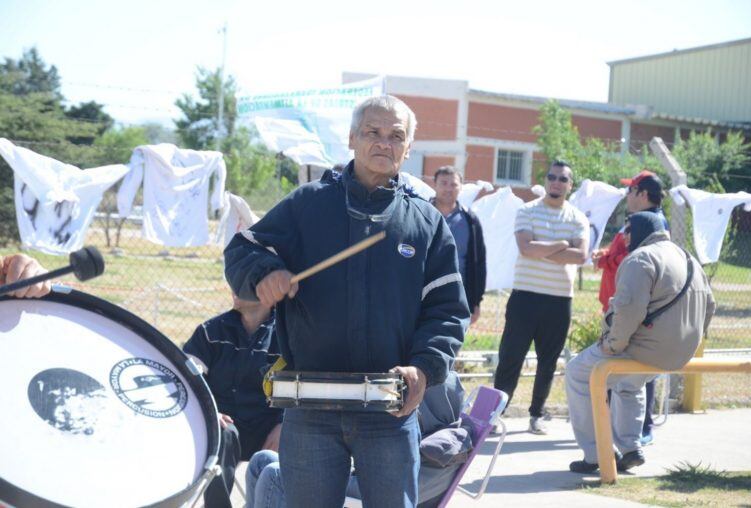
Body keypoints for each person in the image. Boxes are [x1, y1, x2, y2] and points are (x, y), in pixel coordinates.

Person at [224, 95, 469, 508]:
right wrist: (265, 273)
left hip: (390, 412)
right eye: (373, 132)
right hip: (310, 410)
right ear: (352, 138)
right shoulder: (309, 204)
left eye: (396, 136)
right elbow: (243, 249)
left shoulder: (426, 223)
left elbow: (447, 310)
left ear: (408, 149)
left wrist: (425, 369)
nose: (383, 143)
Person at [566, 212, 715, 473]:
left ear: (640, 230)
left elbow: (628, 308)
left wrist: (612, 344)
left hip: (642, 349)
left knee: (578, 373)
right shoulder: (689, 259)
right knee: (629, 384)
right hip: (681, 354)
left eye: (628, 230)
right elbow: (710, 306)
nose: (624, 237)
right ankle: (631, 448)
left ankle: (596, 453)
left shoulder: (641, 257)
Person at [245, 372, 468, 508]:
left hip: (373, 485)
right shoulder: (445, 421)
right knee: (261, 461)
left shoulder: (440, 449)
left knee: (274, 474)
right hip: (361, 469)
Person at [493, 160, 589, 435]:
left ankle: (537, 414)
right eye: (552, 177)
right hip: (525, 297)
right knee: (510, 357)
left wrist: (543, 247)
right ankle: (496, 415)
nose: (556, 182)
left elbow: (581, 256)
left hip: (559, 300)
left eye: (563, 179)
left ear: (570, 185)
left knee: (548, 361)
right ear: (546, 180)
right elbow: (526, 249)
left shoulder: (577, 217)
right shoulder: (528, 210)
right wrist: (561, 245)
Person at [183, 293, 283, 508]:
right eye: (234, 280)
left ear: (269, 290)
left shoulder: (287, 334)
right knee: (224, 434)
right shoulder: (210, 332)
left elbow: (301, 384)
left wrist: (285, 422)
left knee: (300, 437)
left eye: (245, 281)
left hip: (269, 428)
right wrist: (210, 413)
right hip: (223, 427)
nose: (236, 287)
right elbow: (187, 381)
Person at [592, 170, 667, 445]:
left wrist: (607, 261)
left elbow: (636, 260)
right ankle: (622, 428)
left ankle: (641, 429)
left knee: (638, 371)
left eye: (631, 190)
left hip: (633, 309)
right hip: (619, 304)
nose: (627, 196)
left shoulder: (652, 222)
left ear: (643, 194)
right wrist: (607, 257)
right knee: (623, 370)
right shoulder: (637, 221)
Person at [432, 166, 487, 325]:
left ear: (461, 187)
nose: (448, 188)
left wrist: (476, 301)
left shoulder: (470, 220)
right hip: (422, 293)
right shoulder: (421, 213)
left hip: (458, 295)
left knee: (451, 344)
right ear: (435, 184)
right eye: (444, 183)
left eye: (453, 184)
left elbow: (480, 262)